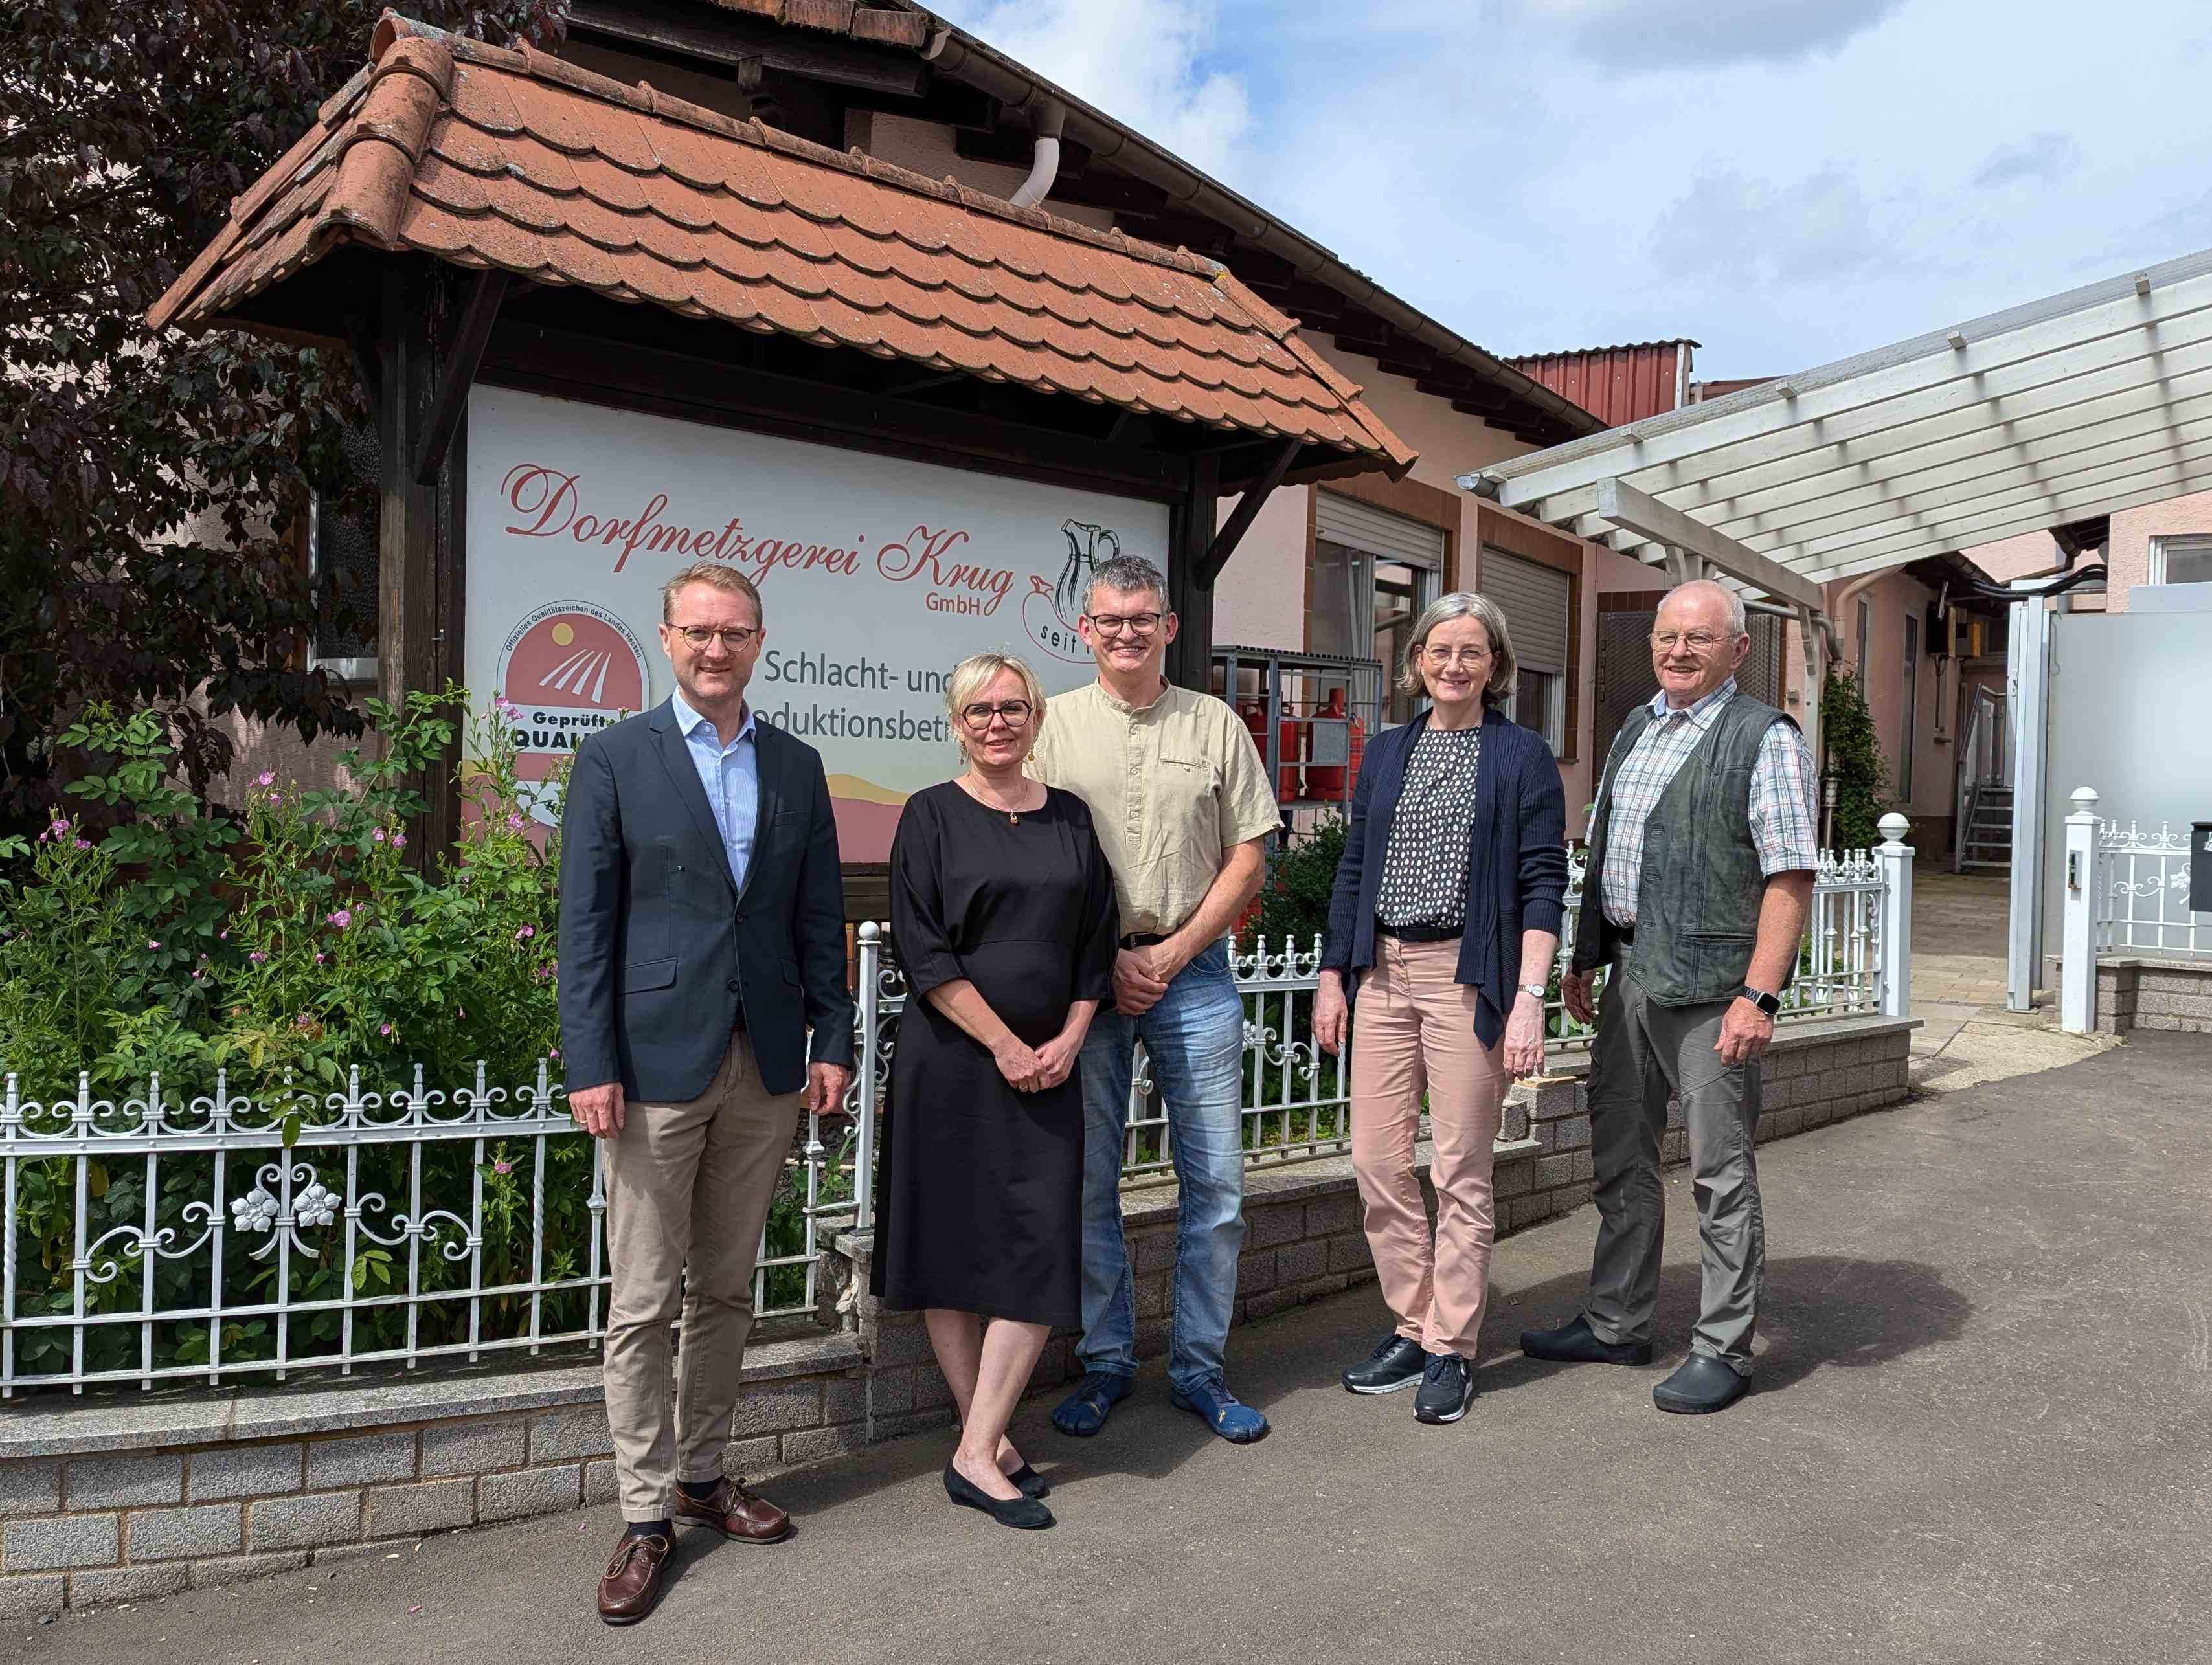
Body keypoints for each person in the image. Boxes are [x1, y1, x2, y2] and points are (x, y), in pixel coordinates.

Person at [558, 560, 853, 1624]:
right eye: (697, 632)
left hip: (765, 1061)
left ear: (759, 640)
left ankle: (702, 1474)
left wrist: (833, 1036)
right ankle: (644, 1516)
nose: (715, 649)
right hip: (648, 1066)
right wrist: (589, 1058)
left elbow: (820, 915)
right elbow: (585, 924)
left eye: (733, 633)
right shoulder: (614, 758)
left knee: (725, 1289)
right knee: (641, 1300)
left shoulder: (797, 763)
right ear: (667, 638)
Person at [1519, 578, 1818, 1415]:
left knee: (1720, 1173)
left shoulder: (1766, 739)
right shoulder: (1637, 728)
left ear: (1738, 649)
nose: (1678, 651)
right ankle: (1617, 1321)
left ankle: (1724, 1348)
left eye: (1698, 638)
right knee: (1621, 1155)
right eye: (1667, 637)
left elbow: (1789, 879)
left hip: (1714, 989)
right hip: (1631, 977)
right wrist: (1586, 957)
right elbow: (1612, 848)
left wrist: (1759, 997)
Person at [1028, 553, 1280, 1444]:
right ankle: (1105, 1363)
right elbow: (1029, 851)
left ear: (1169, 628)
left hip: (1194, 973)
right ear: (1084, 630)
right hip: (1088, 986)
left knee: (1215, 1186)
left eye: (1142, 618)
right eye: (1110, 619)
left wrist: (1171, 953)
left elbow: (1250, 851)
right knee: (1091, 1183)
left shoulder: (1215, 725)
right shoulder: (1049, 727)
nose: (1126, 632)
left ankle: (1200, 1370)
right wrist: (1106, 962)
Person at [873, 653, 1118, 1530]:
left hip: (1050, 1063)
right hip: (954, 1064)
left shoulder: (1070, 819)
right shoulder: (930, 816)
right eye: (980, 709)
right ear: (956, 721)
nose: (997, 722)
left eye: (1012, 707)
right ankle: (985, 1447)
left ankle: (980, 1443)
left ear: (1036, 716)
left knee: (1038, 1245)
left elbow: (1096, 943)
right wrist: (1008, 1044)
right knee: (951, 1247)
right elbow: (924, 950)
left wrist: (1069, 1036)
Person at [1314, 593, 1568, 1425]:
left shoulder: (1521, 754)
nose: (1451, 664)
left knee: (1461, 1170)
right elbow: (1353, 867)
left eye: (1470, 651)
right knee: (1379, 1164)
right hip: (1381, 971)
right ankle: (1414, 1321)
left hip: (1469, 974)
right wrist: (1330, 975)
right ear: (1415, 659)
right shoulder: (1386, 751)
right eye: (1437, 650)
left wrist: (1528, 997)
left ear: (1493, 665)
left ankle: (1451, 1348)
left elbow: (1541, 880)